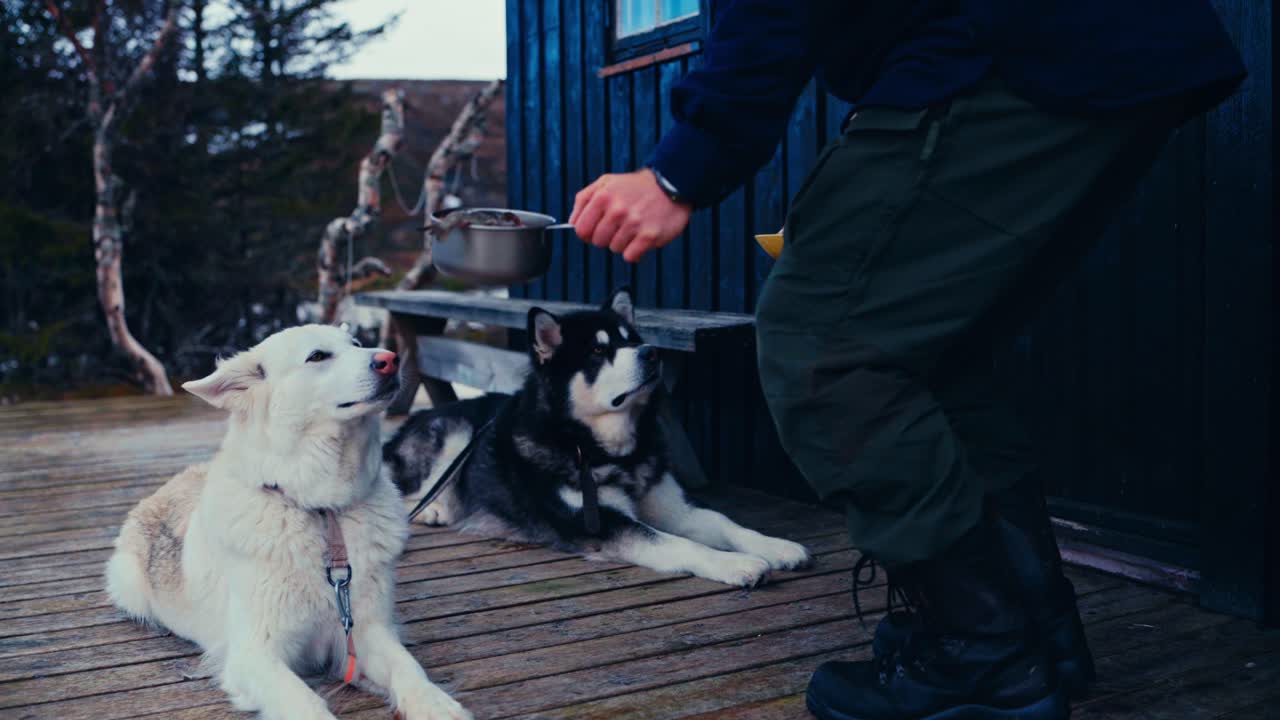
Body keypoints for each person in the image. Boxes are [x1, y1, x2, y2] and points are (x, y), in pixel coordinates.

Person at [568, 2, 1246, 719]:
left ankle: (984, 659)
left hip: (1007, 46)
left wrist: (680, 171)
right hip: (1090, 47)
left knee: (824, 342)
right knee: (930, 352)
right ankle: (1033, 633)